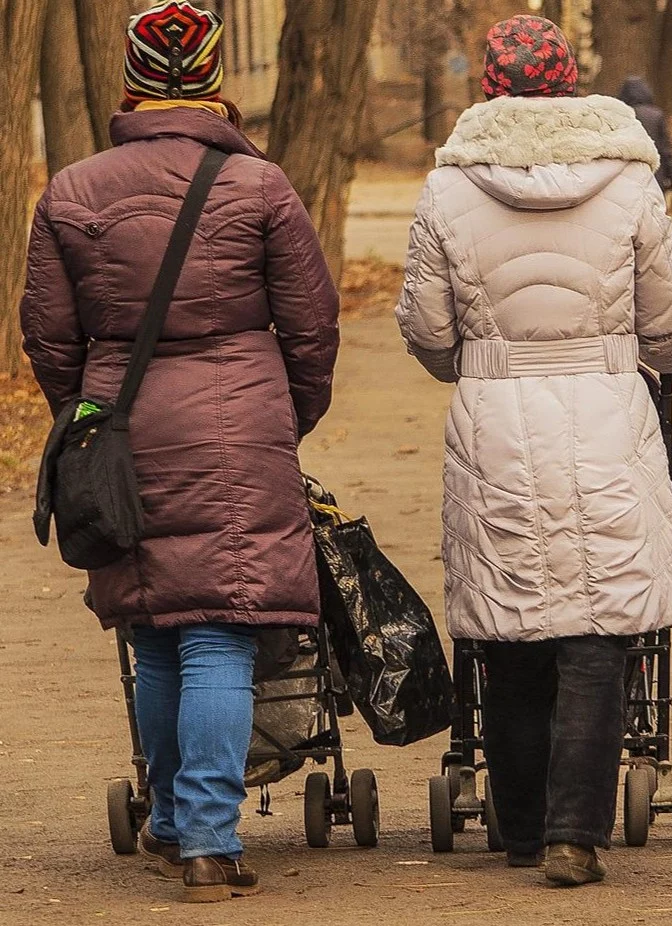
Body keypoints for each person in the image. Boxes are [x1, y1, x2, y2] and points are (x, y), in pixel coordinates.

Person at [20, 2, 339, 903]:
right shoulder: (259, 187)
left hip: (122, 425)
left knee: (156, 634)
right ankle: (206, 838)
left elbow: (49, 338)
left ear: (131, 82)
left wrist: (90, 426)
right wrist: (285, 417)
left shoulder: (72, 191)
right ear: (210, 82)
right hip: (240, 422)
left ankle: (171, 823)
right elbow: (311, 328)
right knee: (220, 636)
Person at [395, 15, 672, 886]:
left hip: (494, 418)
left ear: (488, 89)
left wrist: (483, 364)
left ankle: (522, 828)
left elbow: (426, 329)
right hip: (607, 414)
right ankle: (576, 833)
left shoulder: (446, 192)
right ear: (572, 85)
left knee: (512, 624)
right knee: (599, 627)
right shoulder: (631, 184)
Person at [618, 76, 672, 193]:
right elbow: (665, 150)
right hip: (654, 174)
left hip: (627, 176)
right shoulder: (656, 115)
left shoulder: (621, 114)